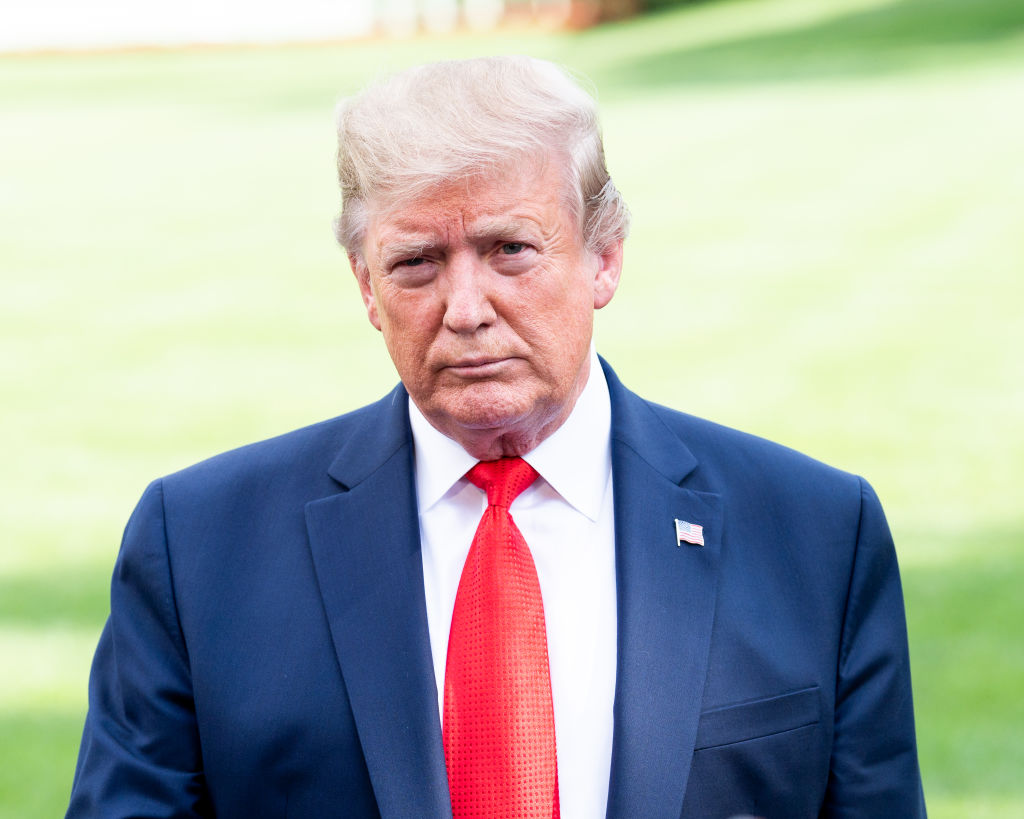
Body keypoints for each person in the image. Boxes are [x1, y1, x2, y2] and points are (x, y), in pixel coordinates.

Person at [67, 56, 926, 818]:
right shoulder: (198, 547)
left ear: (604, 257)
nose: (466, 308)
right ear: (365, 286)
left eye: (509, 248)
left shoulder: (817, 534)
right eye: (416, 262)